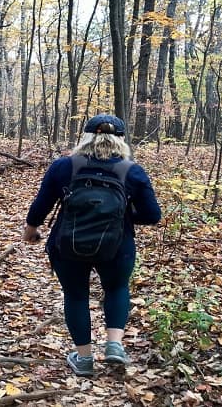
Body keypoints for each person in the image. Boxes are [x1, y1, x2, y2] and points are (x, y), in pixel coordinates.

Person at [23, 114, 161, 376]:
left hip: (67, 245)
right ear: (121, 140)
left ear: (85, 137)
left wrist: (31, 230)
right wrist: (120, 215)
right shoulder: (132, 170)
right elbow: (153, 215)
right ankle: (114, 345)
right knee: (116, 287)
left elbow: (41, 205)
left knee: (76, 295)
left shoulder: (63, 167)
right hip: (118, 245)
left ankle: (84, 359)